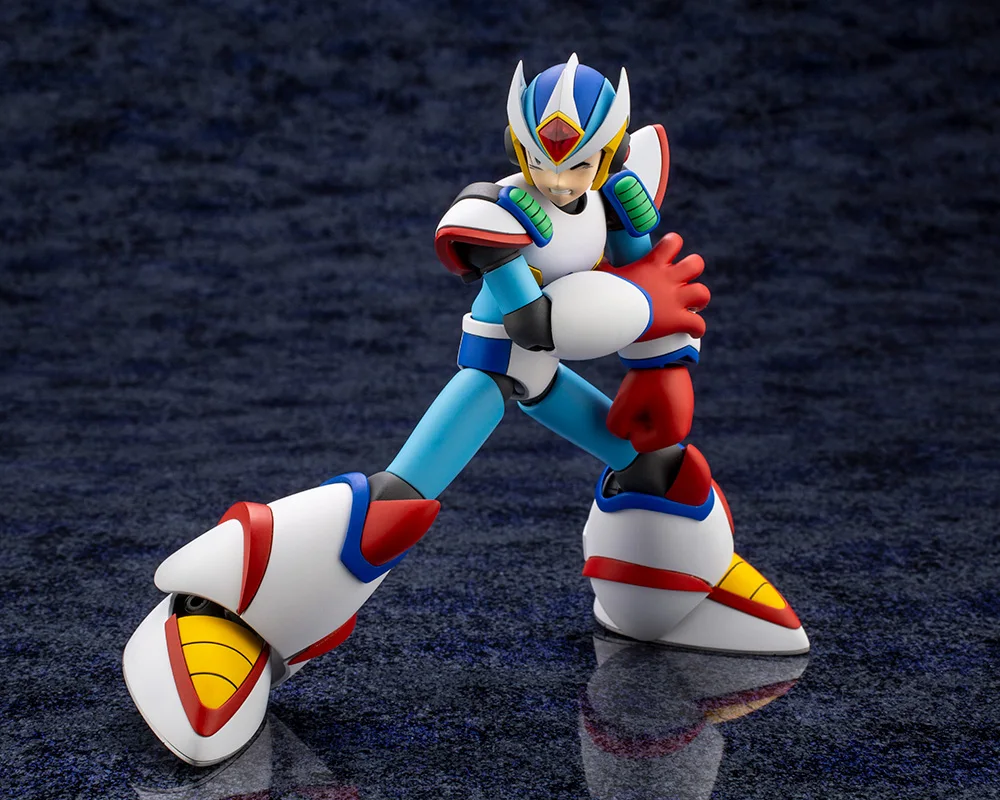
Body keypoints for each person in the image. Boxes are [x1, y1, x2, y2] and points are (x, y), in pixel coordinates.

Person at [123, 56, 808, 767]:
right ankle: (226, 615)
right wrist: (644, 308)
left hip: (548, 374)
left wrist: (663, 371)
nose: (559, 182)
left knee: (656, 465)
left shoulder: (617, 198)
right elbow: (536, 325)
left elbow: (655, 276)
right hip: (496, 372)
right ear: (520, 147)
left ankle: (675, 590)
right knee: (398, 501)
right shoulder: (496, 212)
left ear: (607, 153)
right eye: (543, 162)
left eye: (579, 165)